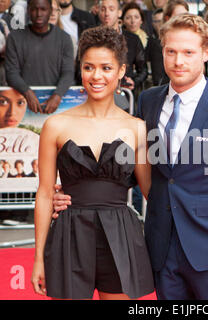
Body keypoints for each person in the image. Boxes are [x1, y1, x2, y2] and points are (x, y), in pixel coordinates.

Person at [53, 13, 208, 300]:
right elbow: (139, 170)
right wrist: (76, 191)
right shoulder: (149, 101)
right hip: (161, 246)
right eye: (171, 51)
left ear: (206, 53)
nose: (178, 61)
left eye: (188, 53)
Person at [31, 26, 154, 300]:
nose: (96, 76)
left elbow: (152, 193)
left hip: (121, 235)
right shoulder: (56, 125)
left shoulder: (137, 129)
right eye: (89, 67)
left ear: (122, 71)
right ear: (80, 69)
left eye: (106, 68)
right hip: (68, 234)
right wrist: (38, 256)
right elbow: (44, 193)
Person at [5, 0, 74, 114]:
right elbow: (11, 73)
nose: (38, 13)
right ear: (28, 10)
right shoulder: (14, 38)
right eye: (34, 9)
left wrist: (58, 95)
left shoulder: (64, 39)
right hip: (22, 105)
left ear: (51, 11)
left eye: (43, 9)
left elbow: (68, 72)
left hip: (57, 105)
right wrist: (27, 92)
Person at [98, 0, 147, 94]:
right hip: (98, 91)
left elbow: (143, 69)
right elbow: (80, 69)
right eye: (103, 9)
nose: (107, 13)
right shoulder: (91, 38)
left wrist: (134, 81)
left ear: (119, 12)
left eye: (111, 9)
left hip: (124, 93)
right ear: (98, 11)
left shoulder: (133, 39)